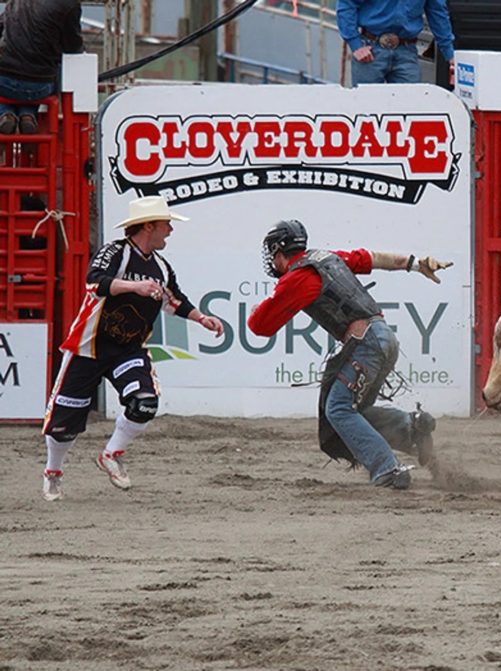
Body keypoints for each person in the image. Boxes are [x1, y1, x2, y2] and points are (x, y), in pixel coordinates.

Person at [40, 196, 225, 501]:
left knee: (145, 403)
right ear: (149, 226)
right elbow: (94, 282)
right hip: (88, 347)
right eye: (166, 224)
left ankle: (111, 454)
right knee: (63, 427)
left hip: (128, 349)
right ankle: (53, 472)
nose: (170, 231)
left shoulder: (162, 267)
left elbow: (173, 299)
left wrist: (201, 317)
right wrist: (133, 286)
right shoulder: (116, 251)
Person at [248, 220, 452, 490]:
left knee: (339, 409)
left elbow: (259, 326)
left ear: (278, 251)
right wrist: (417, 263)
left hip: (364, 344)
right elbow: (370, 258)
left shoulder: (295, 279)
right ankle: (410, 428)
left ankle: (387, 469)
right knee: (356, 411)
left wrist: (254, 311)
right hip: (385, 338)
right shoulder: (327, 258)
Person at [0, 0, 83, 134]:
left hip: (4, 80)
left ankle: (6, 113)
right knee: (48, 70)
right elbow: (72, 46)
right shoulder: (69, 4)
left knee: (11, 87)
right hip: (40, 87)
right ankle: (27, 115)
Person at [336, 0, 455, 86]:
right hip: (370, 50)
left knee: (411, 110)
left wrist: (450, 55)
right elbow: (347, 4)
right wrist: (356, 45)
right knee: (366, 109)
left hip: (407, 51)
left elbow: (437, 14)